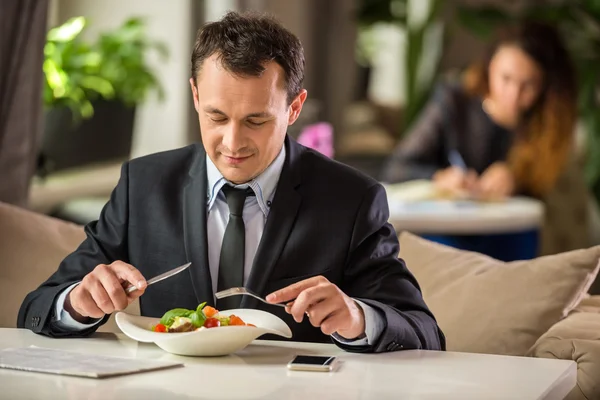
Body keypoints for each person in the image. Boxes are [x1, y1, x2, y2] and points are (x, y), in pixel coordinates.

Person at [18, 12, 444, 353]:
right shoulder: (143, 185)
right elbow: (36, 310)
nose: (232, 143)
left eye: (257, 120)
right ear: (196, 96)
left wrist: (356, 317)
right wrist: (78, 302)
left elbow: (424, 331)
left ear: (294, 108)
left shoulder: (352, 200)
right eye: (217, 117)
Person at [381, 21, 577, 200]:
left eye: (528, 85)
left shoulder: (548, 121)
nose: (513, 95)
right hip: (448, 224)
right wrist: (440, 177)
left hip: (509, 227)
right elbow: (396, 168)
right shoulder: (454, 100)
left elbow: (541, 192)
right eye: (506, 78)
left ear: (545, 86)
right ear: (490, 68)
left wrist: (516, 180)